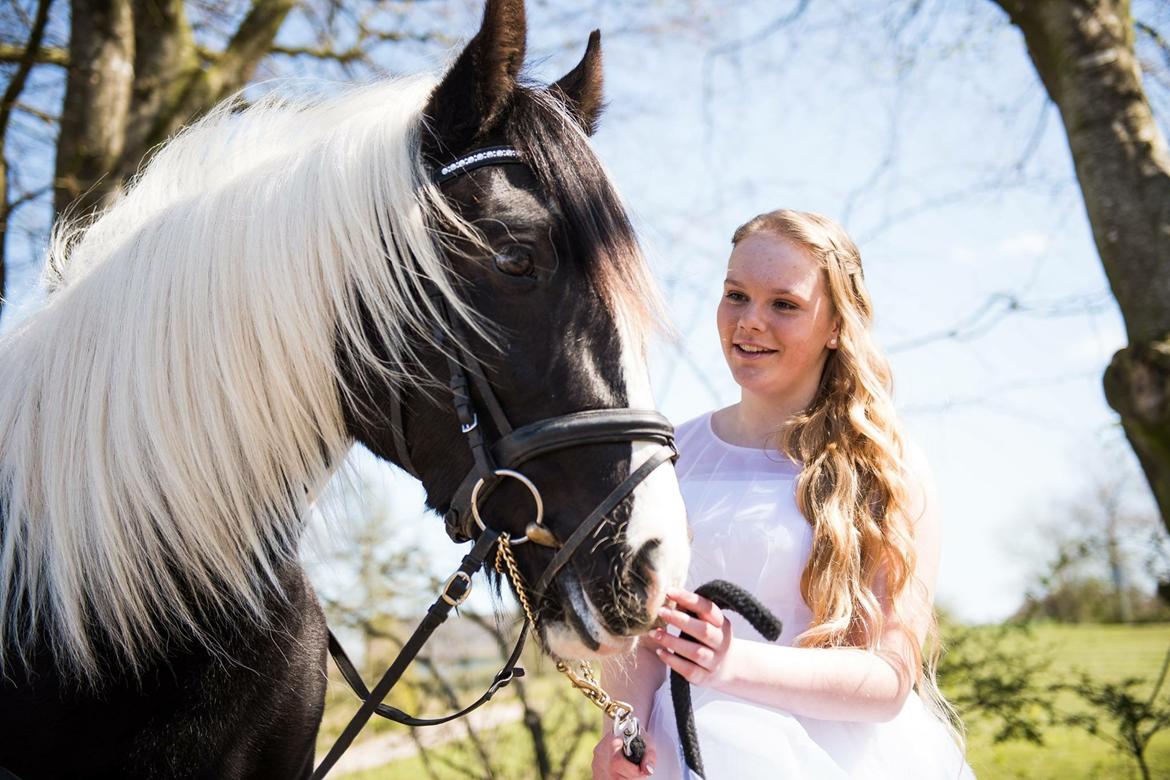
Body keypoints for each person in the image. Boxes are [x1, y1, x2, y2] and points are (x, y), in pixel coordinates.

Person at [592, 209, 975, 779]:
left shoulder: (883, 468)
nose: (750, 322)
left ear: (838, 324)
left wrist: (729, 661)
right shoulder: (666, 453)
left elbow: (889, 681)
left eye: (785, 304)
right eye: (736, 295)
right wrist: (624, 730)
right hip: (674, 757)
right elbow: (643, 638)